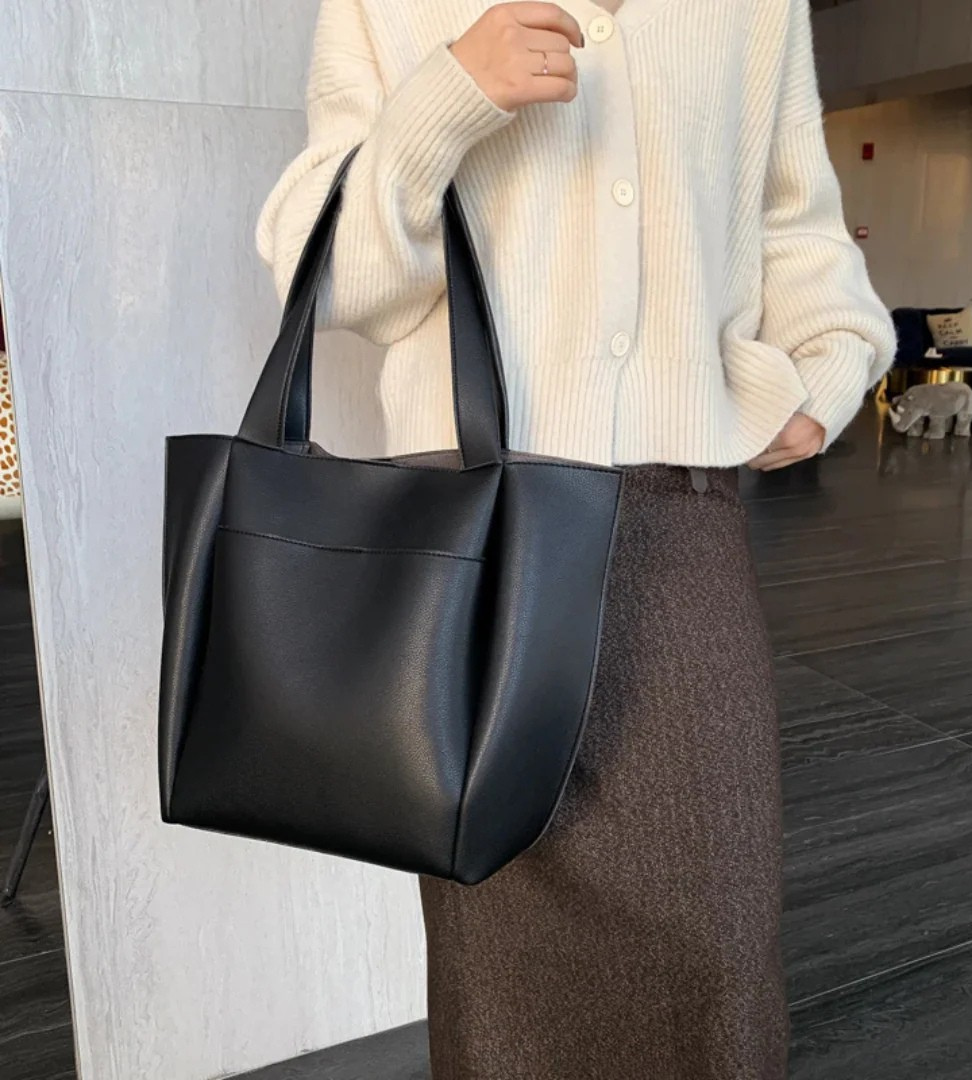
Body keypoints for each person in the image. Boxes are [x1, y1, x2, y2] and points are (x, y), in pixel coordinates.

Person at [255, 1, 896, 1076]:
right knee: (501, 954)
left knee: (718, 942)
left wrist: (830, 360)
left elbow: (794, 216)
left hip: (677, 516)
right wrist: (450, 94)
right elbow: (325, 279)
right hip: (475, 537)